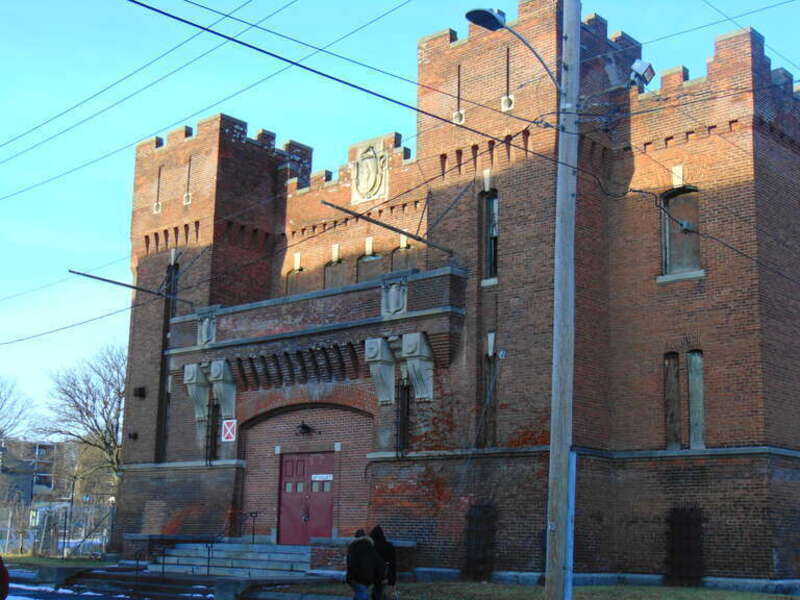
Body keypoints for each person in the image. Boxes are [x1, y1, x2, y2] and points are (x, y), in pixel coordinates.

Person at [346, 529, 385, 600]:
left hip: (355, 578)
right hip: (367, 578)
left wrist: (351, 576)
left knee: (360, 592)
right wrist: (379, 577)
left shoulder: (352, 548)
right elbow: (379, 564)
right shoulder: (371, 548)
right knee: (362, 593)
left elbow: (350, 564)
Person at [369, 525, 397, 600]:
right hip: (388, 574)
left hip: (377, 576)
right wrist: (393, 579)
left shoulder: (372, 547)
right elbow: (393, 563)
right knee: (386, 595)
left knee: (377, 594)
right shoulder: (389, 546)